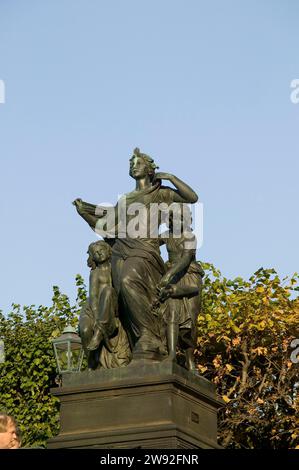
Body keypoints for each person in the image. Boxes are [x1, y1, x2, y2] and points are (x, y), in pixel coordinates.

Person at [74, 148, 199, 360]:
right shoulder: (125, 199)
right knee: (121, 291)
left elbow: (192, 197)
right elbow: (106, 226)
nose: (133, 165)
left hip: (144, 249)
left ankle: (149, 335)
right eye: (131, 163)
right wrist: (84, 212)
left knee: (128, 280)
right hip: (120, 248)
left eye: (138, 162)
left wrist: (170, 177)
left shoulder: (161, 193)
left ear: (150, 169)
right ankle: (133, 340)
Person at [157, 210, 204, 371]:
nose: (173, 221)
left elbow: (185, 259)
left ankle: (190, 361)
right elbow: (147, 242)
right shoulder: (166, 235)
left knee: (189, 323)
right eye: (171, 218)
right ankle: (171, 354)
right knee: (171, 315)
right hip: (173, 278)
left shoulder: (190, 237)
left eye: (177, 218)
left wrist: (168, 274)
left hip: (189, 277)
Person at [79, 240, 131, 369]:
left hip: (112, 306)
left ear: (108, 250)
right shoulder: (95, 273)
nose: (99, 254)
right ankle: (92, 363)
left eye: (101, 250)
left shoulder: (118, 268)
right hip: (94, 308)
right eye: (95, 253)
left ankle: (99, 333)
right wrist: (96, 318)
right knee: (85, 330)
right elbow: (94, 297)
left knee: (108, 290)